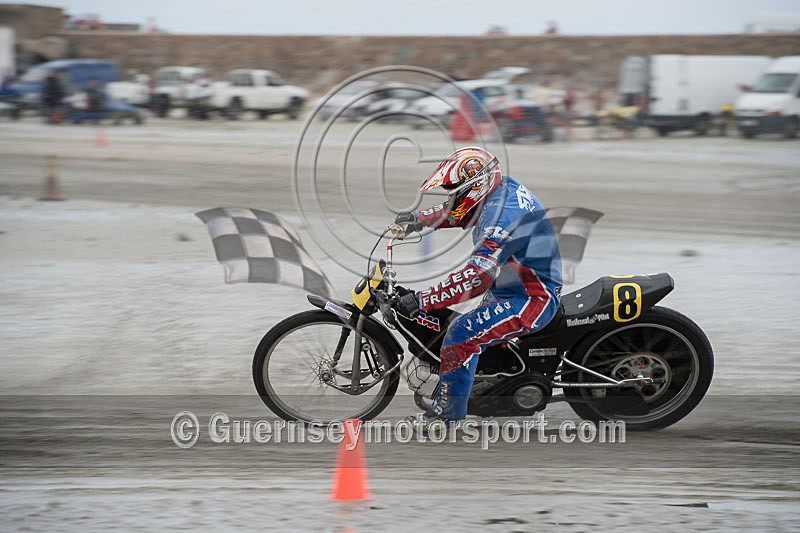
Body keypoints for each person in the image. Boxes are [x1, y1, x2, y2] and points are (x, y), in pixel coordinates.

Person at [393, 147, 563, 428]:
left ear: (475, 186)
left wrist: (423, 299)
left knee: (461, 333)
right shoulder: (499, 188)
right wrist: (419, 219)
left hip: (533, 297)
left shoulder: (500, 220)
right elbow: (462, 211)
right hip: (512, 285)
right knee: (461, 324)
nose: (451, 197)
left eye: (455, 191)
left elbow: (475, 278)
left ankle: (445, 418)